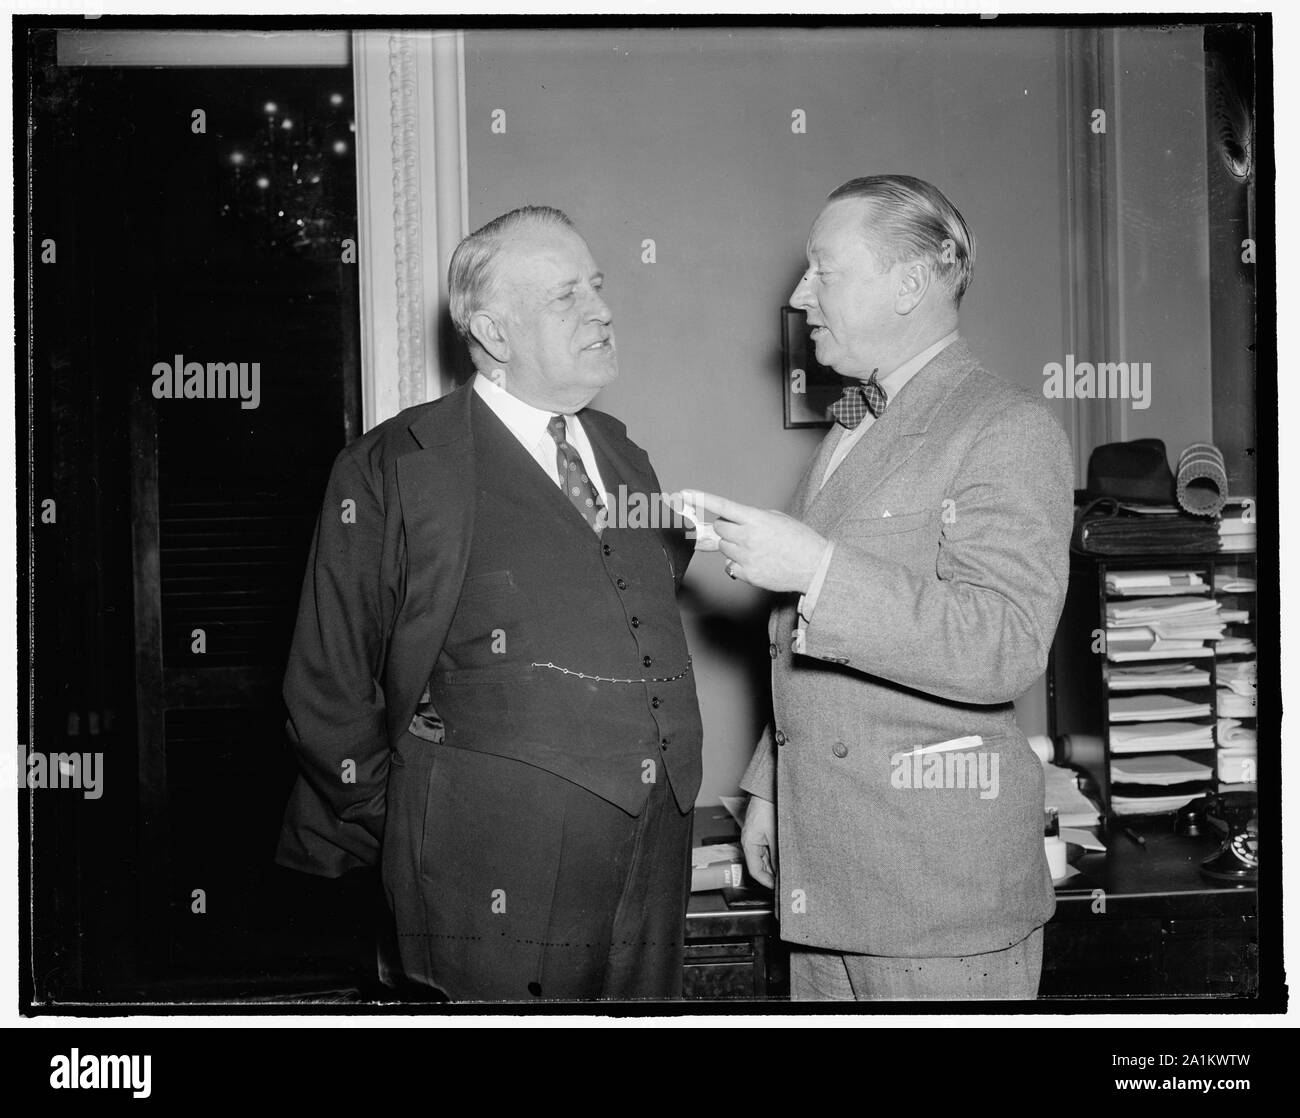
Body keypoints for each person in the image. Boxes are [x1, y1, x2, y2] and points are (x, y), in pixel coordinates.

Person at [276, 206, 703, 1001]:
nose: (602, 310)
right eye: (566, 296)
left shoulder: (623, 455)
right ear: (493, 332)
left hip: (656, 844)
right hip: (487, 862)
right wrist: (407, 825)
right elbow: (325, 688)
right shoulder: (391, 467)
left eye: (599, 287)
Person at [677, 175, 1073, 1000]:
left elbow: (1004, 644)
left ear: (908, 283)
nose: (798, 296)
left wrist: (817, 569)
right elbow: (806, 650)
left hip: (938, 907)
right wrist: (770, 788)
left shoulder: (1007, 427)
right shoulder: (858, 419)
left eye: (824, 270)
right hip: (829, 877)